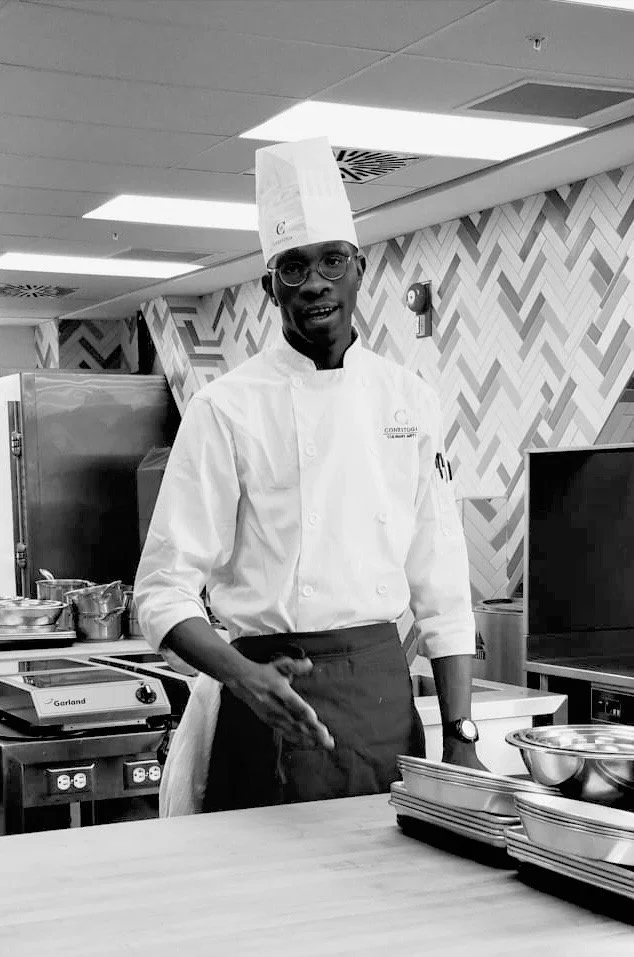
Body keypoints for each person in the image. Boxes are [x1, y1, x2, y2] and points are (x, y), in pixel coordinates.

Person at [134, 136, 484, 816]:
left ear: (360, 269)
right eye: (293, 269)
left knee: (392, 894)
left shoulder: (409, 398)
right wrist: (243, 676)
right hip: (267, 696)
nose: (315, 282)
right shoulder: (224, 408)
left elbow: (442, 580)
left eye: (331, 261)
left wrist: (462, 732)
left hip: (382, 692)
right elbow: (161, 591)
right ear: (269, 287)